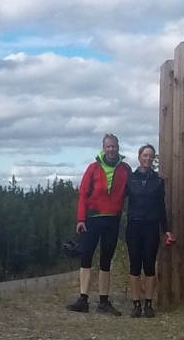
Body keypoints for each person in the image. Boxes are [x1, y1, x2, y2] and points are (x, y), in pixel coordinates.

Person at [66, 134, 131, 315]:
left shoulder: (125, 169)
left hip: (112, 219)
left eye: (114, 146)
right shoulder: (93, 168)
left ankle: (103, 301)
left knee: (106, 260)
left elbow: (135, 189)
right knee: (86, 256)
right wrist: (80, 219)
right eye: (108, 146)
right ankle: (83, 299)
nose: (111, 149)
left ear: (118, 147)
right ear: (103, 148)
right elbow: (82, 194)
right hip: (92, 219)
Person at [124, 143, 174, 318]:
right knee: (135, 266)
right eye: (145, 155)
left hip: (152, 226)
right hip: (134, 225)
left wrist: (166, 229)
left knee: (150, 266)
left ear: (153, 159)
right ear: (139, 157)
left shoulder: (158, 180)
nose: (148, 159)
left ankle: (148, 304)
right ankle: (136, 304)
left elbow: (161, 207)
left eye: (151, 156)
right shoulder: (130, 178)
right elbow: (120, 200)